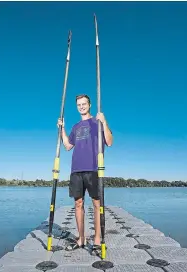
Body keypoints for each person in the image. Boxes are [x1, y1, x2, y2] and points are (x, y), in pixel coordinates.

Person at [57, 94, 113, 253]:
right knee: (78, 204)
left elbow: (109, 141)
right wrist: (62, 129)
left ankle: (96, 240)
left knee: (97, 204)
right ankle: (81, 239)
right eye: (79, 105)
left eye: (84, 104)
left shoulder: (97, 122)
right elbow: (68, 146)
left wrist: (104, 121)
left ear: (89, 105)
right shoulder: (75, 127)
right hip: (76, 170)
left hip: (94, 169)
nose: (81, 106)